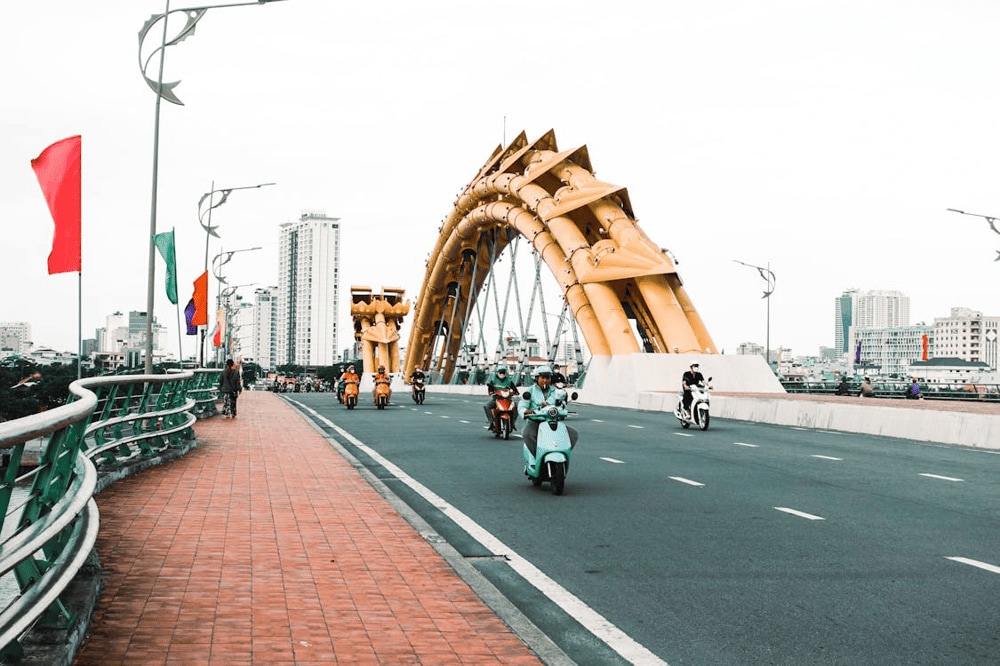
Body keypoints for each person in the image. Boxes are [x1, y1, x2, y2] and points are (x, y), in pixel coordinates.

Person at [519, 365, 578, 457]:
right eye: (542, 377)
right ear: (537, 378)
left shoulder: (556, 391)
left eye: (548, 378)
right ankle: (537, 456)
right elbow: (522, 405)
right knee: (527, 433)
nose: (545, 380)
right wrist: (526, 411)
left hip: (553, 422)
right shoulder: (530, 391)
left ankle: (563, 454)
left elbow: (562, 404)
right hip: (536, 422)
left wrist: (562, 407)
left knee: (573, 434)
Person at [484, 366, 518, 431]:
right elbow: (490, 388)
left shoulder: (509, 381)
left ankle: (513, 423)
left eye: (503, 372)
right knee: (486, 406)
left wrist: (515, 392)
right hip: (496, 399)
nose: (502, 374)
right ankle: (491, 422)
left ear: (505, 373)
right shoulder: (493, 380)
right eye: (500, 372)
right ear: (497, 372)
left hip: (508, 399)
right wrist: (491, 392)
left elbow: (514, 389)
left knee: (516, 406)